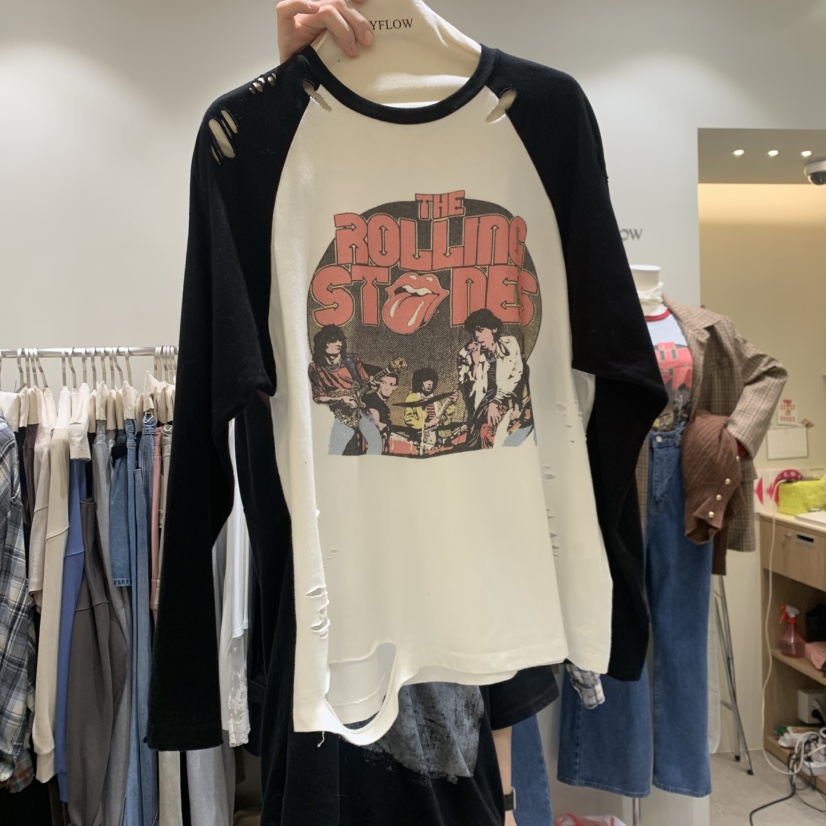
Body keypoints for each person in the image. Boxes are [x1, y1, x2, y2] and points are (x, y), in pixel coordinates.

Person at [457, 308, 527, 450]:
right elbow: (468, 392)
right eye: (473, 332)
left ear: (494, 329)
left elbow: (516, 375)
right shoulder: (465, 354)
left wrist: (497, 402)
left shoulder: (510, 344)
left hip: (505, 399)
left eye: (480, 330)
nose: (476, 336)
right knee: (485, 436)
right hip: (480, 406)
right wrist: (475, 365)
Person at [307, 324, 383, 454]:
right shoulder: (315, 368)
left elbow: (365, 386)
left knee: (376, 443)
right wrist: (340, 400)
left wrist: (373, 386)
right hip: (337, 415)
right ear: (322, 344)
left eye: (340, 340)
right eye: (333, 340)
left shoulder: (351, 360)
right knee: (335, 451)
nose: (338, 343)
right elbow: (318, 397)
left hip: (358, 411)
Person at [403, 367, 457, 450]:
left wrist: (452, 403)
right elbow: (408, 419)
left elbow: (445, 421)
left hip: (436, 440)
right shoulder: (412, 397)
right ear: (420, 381)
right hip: (419, 440)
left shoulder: (436, 401)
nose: (429, 383)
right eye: (425, 380)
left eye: (431, 380)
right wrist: (427, 424)